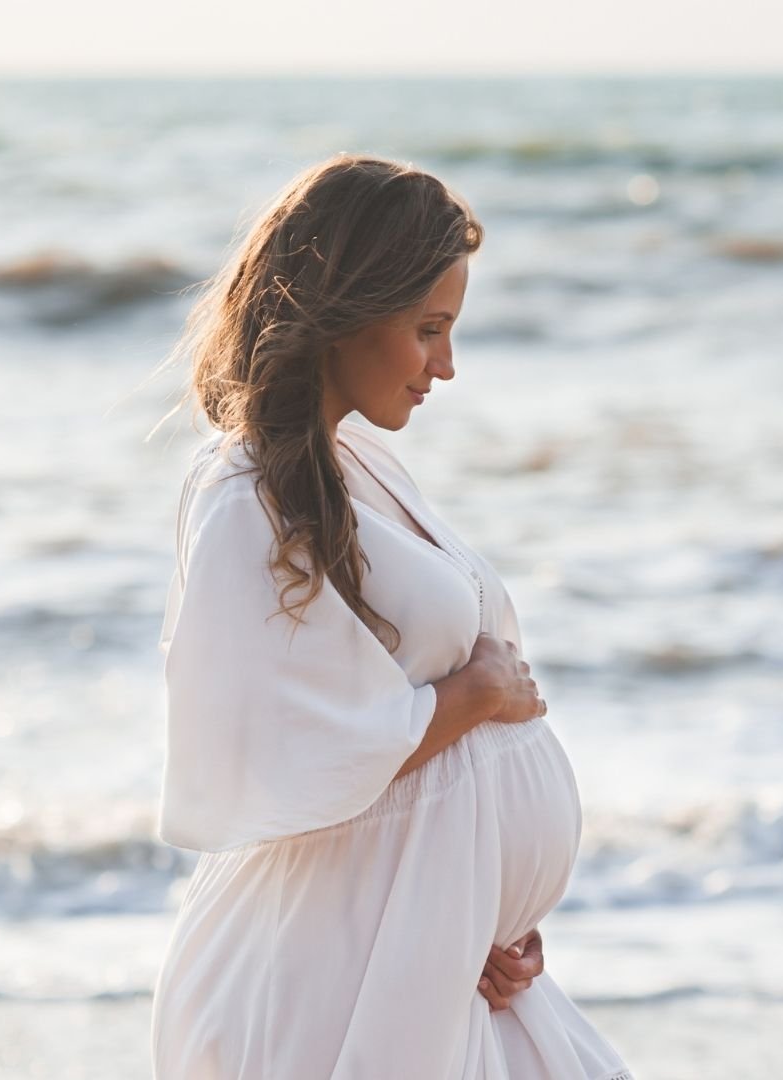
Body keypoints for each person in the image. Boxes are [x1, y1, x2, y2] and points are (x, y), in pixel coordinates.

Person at [149, 153, 634, 1079]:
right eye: (428, 330)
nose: (445, 367)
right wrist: (474, 692)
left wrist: (476, 912)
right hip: (329, 970)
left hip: (419, 947)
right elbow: (271, 755)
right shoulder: (243, 493)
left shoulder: (354, 469)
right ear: (346, 312)